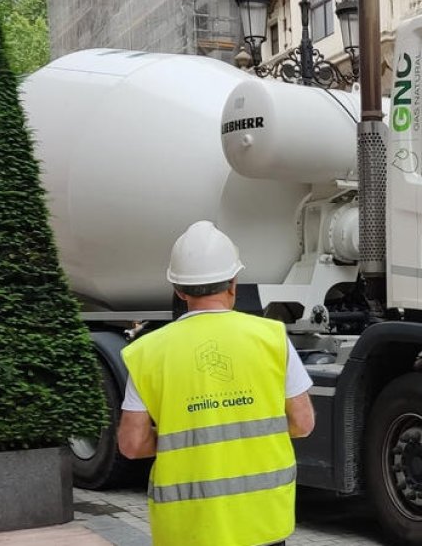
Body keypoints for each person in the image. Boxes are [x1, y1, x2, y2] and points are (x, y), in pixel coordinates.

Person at [118, 220, 315, 546]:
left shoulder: (147, 352)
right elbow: (303, 423)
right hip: (261, 521)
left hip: (187, 527)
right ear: (233, 283)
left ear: (179, 290)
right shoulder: (272, 338)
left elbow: (132, 445)